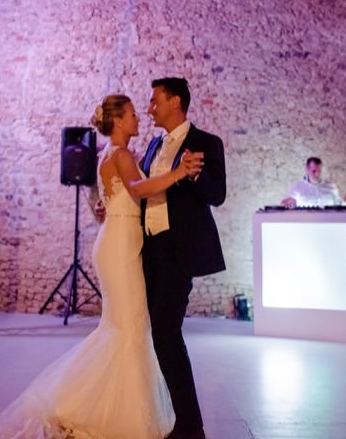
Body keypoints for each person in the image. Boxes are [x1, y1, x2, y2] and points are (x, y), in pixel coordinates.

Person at [0, 94, 203, 439]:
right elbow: (139, 189)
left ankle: (112, 407)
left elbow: (102, 201)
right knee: (128, 328)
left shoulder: (105, 156)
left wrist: (105, 209)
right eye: (131, 114)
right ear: (117, 121)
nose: (138, 118)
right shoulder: (122, 154)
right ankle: (104, 412)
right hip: (120, 247)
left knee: (123, 326)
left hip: (116, 240)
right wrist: (178, 173)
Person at [140, 78, 226, 439]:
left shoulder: (207, 143)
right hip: (149, 250)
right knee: (155, 332)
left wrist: (195, 174)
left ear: (175, 102)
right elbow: (145, 191)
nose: (150, 107)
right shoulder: (154, 144)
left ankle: (191, 425)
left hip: (180, 250)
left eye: (155, 100)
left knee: (165, 331)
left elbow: (217, 195)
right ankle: (171, 416)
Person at [280, 156, 346, 208]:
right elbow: (287, 204)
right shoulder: (297, 187)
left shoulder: (331, 187)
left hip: (328, 225)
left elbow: (339, 208)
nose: (317, 174)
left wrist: (345, 201)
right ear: (307, 170)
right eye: (314, 171)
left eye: (319, 171)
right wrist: (285, 204)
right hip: (305, 225)